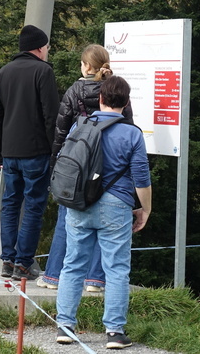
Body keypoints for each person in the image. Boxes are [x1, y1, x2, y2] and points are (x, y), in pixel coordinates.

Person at [55, 75, 151, 350]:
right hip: (116, 206)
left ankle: (65, 326)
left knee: (73, 264)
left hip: (79, 204)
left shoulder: (80, 125)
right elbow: (141, 178)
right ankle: (114, 332)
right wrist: (145, 209)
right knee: (116, 268)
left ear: (100, 99)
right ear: (127, 102)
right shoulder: (132, 133)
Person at [39, 45, 133, 292]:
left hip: (78, 163)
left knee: (65, 219)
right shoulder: (114, 89)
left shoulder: (75, 90)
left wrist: (55, 164)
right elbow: (128, 124)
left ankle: (53, 276)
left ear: (86, 66)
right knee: (107, 222)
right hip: (109, 164)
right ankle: (94, 280)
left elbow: (61, 129)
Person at [0, 24, 60, 280]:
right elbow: (52, 116)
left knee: (10, 204)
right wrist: (56, 152)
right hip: (36, 151)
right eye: (47, 47)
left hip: (9, 152)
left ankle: (7, 261)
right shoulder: (43, 72)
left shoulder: (3, 73)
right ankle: (23, 264)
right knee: (33, 206)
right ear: (40, 48)